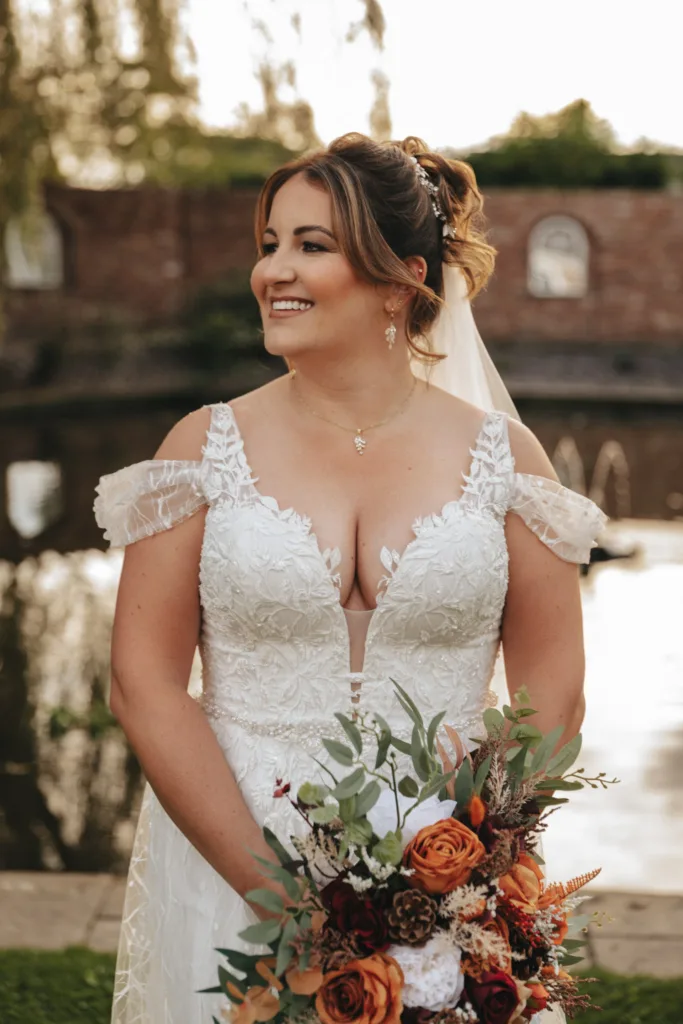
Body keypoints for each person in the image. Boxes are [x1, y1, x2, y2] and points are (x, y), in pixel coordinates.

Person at [94, 133, 606, 1023]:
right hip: (234, 847)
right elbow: (143, 687)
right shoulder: (201, 448)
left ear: (403, 279)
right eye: (269, 244)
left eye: (311, 246)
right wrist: (282, 901)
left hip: (445, 874)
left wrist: (465, 864)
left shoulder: (503, 458)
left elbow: (553, 692)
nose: (272, 271)